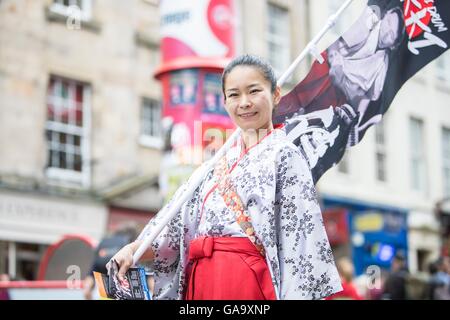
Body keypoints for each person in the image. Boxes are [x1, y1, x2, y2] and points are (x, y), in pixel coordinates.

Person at [108, 54, 342, 300]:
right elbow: (175, 221)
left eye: (253, 91)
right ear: (225, 101)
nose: (244, 103)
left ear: (275, 95)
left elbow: (300, 239)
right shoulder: (214, 163)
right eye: (234, 94)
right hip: (201, 280)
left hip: (246, 281)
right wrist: (134, 249)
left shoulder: (285, 155)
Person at [327, 5, 404, 145]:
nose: (387, 32)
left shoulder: (383, 64)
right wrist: (335, 62)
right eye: (387, 23)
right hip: (332, 76)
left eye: (392, 35)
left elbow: (368, 95)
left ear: (393, 44)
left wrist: (358, 118)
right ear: (384, 17)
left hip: (348, 100)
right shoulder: (366, 28)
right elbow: (336, 44)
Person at [83, 223, 139, 300]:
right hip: (122, 289)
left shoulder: (105, 242)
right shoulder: (129, 245)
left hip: (103, 291)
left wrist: (87, 290)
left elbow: (92, 273)